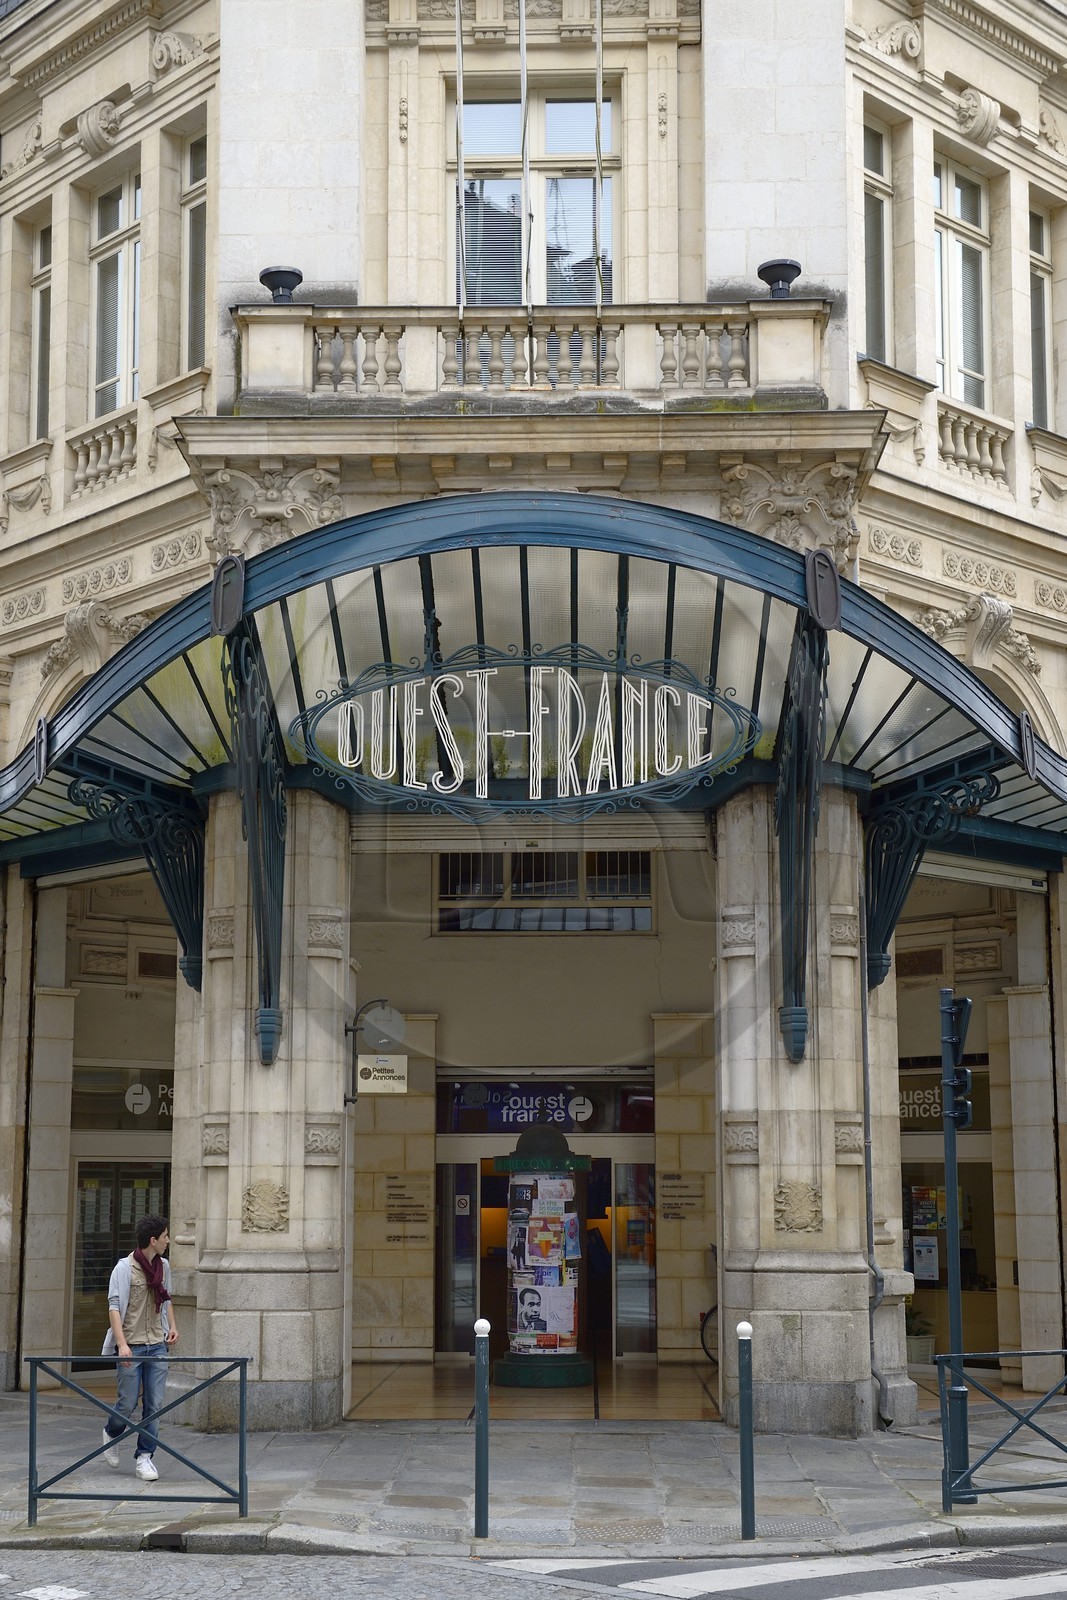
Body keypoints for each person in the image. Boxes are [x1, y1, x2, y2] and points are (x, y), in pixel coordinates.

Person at [100, 1214, 178, 1480]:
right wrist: (121, 1345)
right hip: (131, 1345)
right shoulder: (124, 1268)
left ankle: (144, 1457)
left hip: (156, 1344)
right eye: (165, 1236)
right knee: (127, 1403)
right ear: (153, 1240)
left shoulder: (164, 1267)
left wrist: (172, 1327)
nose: (168, 1241)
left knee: (154, 1404)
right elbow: (113, 1308)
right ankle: (111, 1432)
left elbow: (166, 1300)